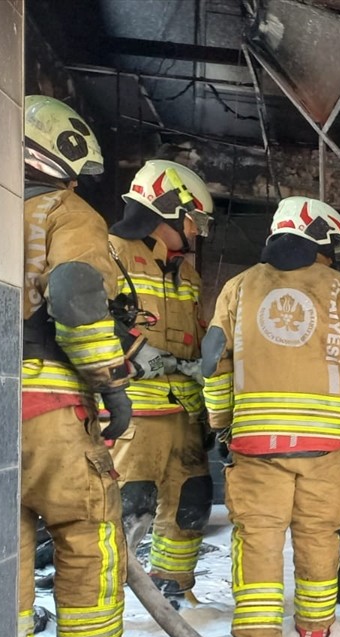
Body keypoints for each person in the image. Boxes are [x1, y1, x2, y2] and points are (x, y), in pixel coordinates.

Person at [201, 197, 340, 637]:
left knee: (259, 538)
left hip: (255, 443)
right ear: (322, 238)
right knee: (319, 535)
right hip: (323, 446)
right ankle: (315, 633)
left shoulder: (237, 289)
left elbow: (213, 360)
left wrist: (222, 420)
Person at [19, 96, 144, 637]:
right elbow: (72, 294)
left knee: (1, 538)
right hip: (48, 403)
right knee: (88, 523)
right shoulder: (67, 213)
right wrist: (111, 386)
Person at [106, 160, 215, 607]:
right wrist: (135, 353)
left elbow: (199, 336)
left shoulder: (187, 275)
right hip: (135, 414)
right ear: (167, 208)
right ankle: (106, 598)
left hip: (184, 414)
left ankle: (172, 587)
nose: (197, 232)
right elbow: (86, 316)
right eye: (194, 220)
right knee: (127, 507)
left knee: (192, 503)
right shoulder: (110, 252)